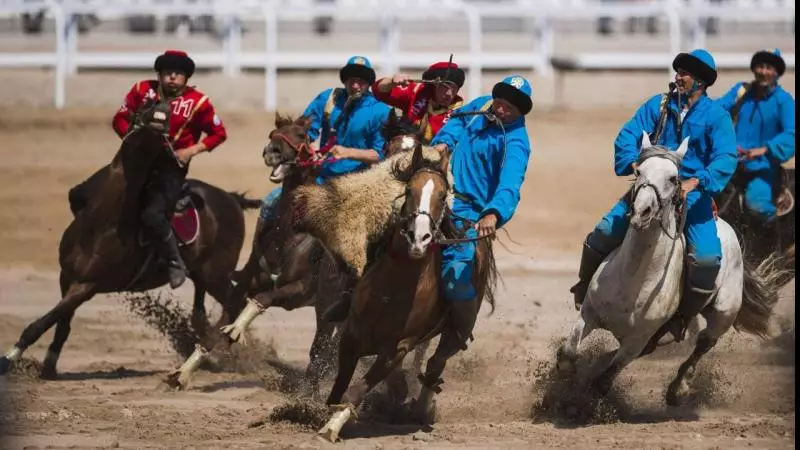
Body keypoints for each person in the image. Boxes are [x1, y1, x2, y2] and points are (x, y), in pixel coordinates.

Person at [323, 75, 534, 352]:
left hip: (469, 211)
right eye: (500, 100)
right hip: (436, 190)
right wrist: (444, 141)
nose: (500, 108)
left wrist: (493, 214)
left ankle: (456, 330)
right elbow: (456, 121)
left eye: (509, 107)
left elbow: (510, 184)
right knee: (383, 226)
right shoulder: (483, 106)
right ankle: (352, 293)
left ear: (519, 112)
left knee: (456, 276)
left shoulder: (516, 142)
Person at [569, 49, 737, 343]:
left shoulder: (717, 117)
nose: (679, 77)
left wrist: (696, 182)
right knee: (604, 232)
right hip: (648, 190)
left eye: (685, 73)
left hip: (691, 198)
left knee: (708, 259)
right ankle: (584, 289)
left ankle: (680, 318)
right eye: (678, 71)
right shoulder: (657, 106)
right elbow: (626, 135)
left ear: (701, 82)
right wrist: (634, 162)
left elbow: (725, 158)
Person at [69, 50, 227, 289]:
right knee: (79, 194)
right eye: (167, 73)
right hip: (131, 164)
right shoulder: (142, 90)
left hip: (169, 170)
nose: (172, 77)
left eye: (178, 73)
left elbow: (219, 134)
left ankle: (174, 263)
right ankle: (89, 242)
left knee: (153, 216)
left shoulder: (199, 102)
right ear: (160, 74)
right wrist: (130, 137)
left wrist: (190, 151)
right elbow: (120, 118)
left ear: (186, 77)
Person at [256, 56, 391, 233]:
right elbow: (304, 132)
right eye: (352, 80)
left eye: (361, 80)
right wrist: (310, 150)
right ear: (345, 80)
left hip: (358, 183)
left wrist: (348, 152)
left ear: (368, 83)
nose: (356, 85)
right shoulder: (328, 99)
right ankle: (260, 256)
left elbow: (378, 155)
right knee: (271, 202)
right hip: (320, 177)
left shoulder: (381, 111)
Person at [716, 48, 795, 223]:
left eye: (768, 67)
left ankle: (775, 244)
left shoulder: (784, 100)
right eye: (760, 66)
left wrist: (764, 149)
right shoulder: (741, 91)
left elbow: (792, 133)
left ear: (776, 73)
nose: (763, 71)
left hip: (763, 167)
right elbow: (718, 109)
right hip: (732, 162)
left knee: (756, 205)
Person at [371, 60, 465, 143]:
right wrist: (391, 81)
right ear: (434, 85)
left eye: (455, 88)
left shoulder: (460, 113)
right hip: (403, 150)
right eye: (445, 86)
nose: (449, 93)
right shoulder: (417, 92)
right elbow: (379, 92)